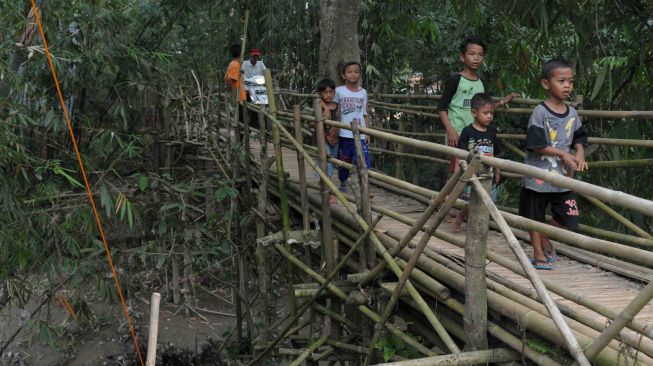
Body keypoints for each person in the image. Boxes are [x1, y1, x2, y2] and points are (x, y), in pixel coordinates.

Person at [519, 58, 588, 270]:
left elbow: (579, 137)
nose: (567, 85)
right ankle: (538, 253)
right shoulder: (540, 113)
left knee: (570, 218)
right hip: (538, 177)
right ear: (546, 84)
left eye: (570, 81)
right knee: (534, 217)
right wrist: (563, 154)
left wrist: (579, 154)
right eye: (561, 81)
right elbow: (536, 144)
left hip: (563, 178)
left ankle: (546, 236)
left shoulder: (572, 113)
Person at [437, 37, 518, 173]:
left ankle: (470, 194)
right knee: (458, 170)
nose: (476, 58)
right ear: (462, 57)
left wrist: (504, 101)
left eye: (480, 55)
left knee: (476, 170)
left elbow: (484, 109)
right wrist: (450, 131)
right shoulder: (455, 80)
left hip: (476, 135)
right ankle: (454, 195)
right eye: (472, 54)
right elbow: (441, 107)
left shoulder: (479, 83)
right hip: (457, 133)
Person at [452, 93, 502, 232]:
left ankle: (479, 227)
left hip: (488, 176)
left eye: (491, 113)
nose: (489, 116)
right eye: (485, 113)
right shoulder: (467, 132)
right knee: (468, 203)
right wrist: (458, 173)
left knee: (488, 201)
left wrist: (498, 171)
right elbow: (460, 155)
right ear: (474, 113)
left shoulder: (491, 132)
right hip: (471, 176)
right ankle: (460, 218)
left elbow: (496, 154)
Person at [335, 61, 371, 192]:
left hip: (360, 132)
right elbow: (335, 110)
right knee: (344, 160)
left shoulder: (363, 92)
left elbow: (365, 113)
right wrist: (334, 130)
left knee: (361, 160)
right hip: (344, 133)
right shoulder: (339, 91)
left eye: (356, 72)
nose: (353, 74)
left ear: (360, 75)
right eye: (349, 71)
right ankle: (343, 182)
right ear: (343, 75)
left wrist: (367, 132)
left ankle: (362, 186)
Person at [224, 44, 245, 116]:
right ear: (240, 53)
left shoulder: (232, 64)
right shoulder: (236, 65)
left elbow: (226, 78)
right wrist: (233, 94)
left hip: (239, 96)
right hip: (239, 97)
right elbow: (229, 79)